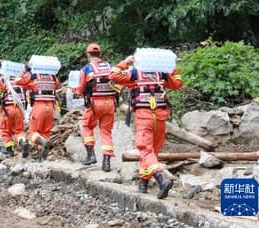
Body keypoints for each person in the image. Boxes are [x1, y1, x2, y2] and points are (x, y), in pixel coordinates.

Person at [109, 54, 183, 199]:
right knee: (152, 152)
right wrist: (171, 67)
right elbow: (178, 84)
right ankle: (143, 183)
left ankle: (161, 178)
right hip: (160, 118)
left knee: (145, 149)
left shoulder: (135, 73)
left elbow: (113, 75)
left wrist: (125, 61)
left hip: (144, 117)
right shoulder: (162, 73)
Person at [75, 43, 116, 171]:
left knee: (86, 126)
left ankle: (91, 155)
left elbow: (80, 90)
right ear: (100, 55)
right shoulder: (111, 67)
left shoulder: (86, 69)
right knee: (106, 131)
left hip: (94, 104)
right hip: (110, 104)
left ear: (88, 55)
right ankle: (107, 162)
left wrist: (74, 90)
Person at [15, 64, 60, 161]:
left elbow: (17, 81)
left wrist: (25, 70)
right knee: (45, 132)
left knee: (33, 133)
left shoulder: (33, 77)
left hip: (39, 107)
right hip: (51, 108)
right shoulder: (52, 77)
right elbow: (57, 85)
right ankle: (42, 157)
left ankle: (43, 143)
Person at [0, 61, 29, 157]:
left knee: (5, 130)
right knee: (19, 130)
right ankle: (23, 142)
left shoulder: (4, 80)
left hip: (7, 109)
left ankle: (9, 151)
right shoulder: (21, 82)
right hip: (19, 109)